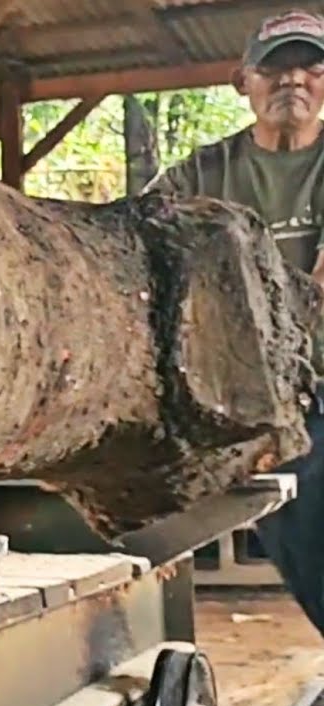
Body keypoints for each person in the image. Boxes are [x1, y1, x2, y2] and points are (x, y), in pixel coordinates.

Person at [146, 9, 324, 635]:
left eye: (310, 66)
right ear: (241, 81)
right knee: (297, 508)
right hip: (255, 397)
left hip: (317, 383)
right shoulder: (205, 174)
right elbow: (143, 240)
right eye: (274, 66)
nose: (293, 79)